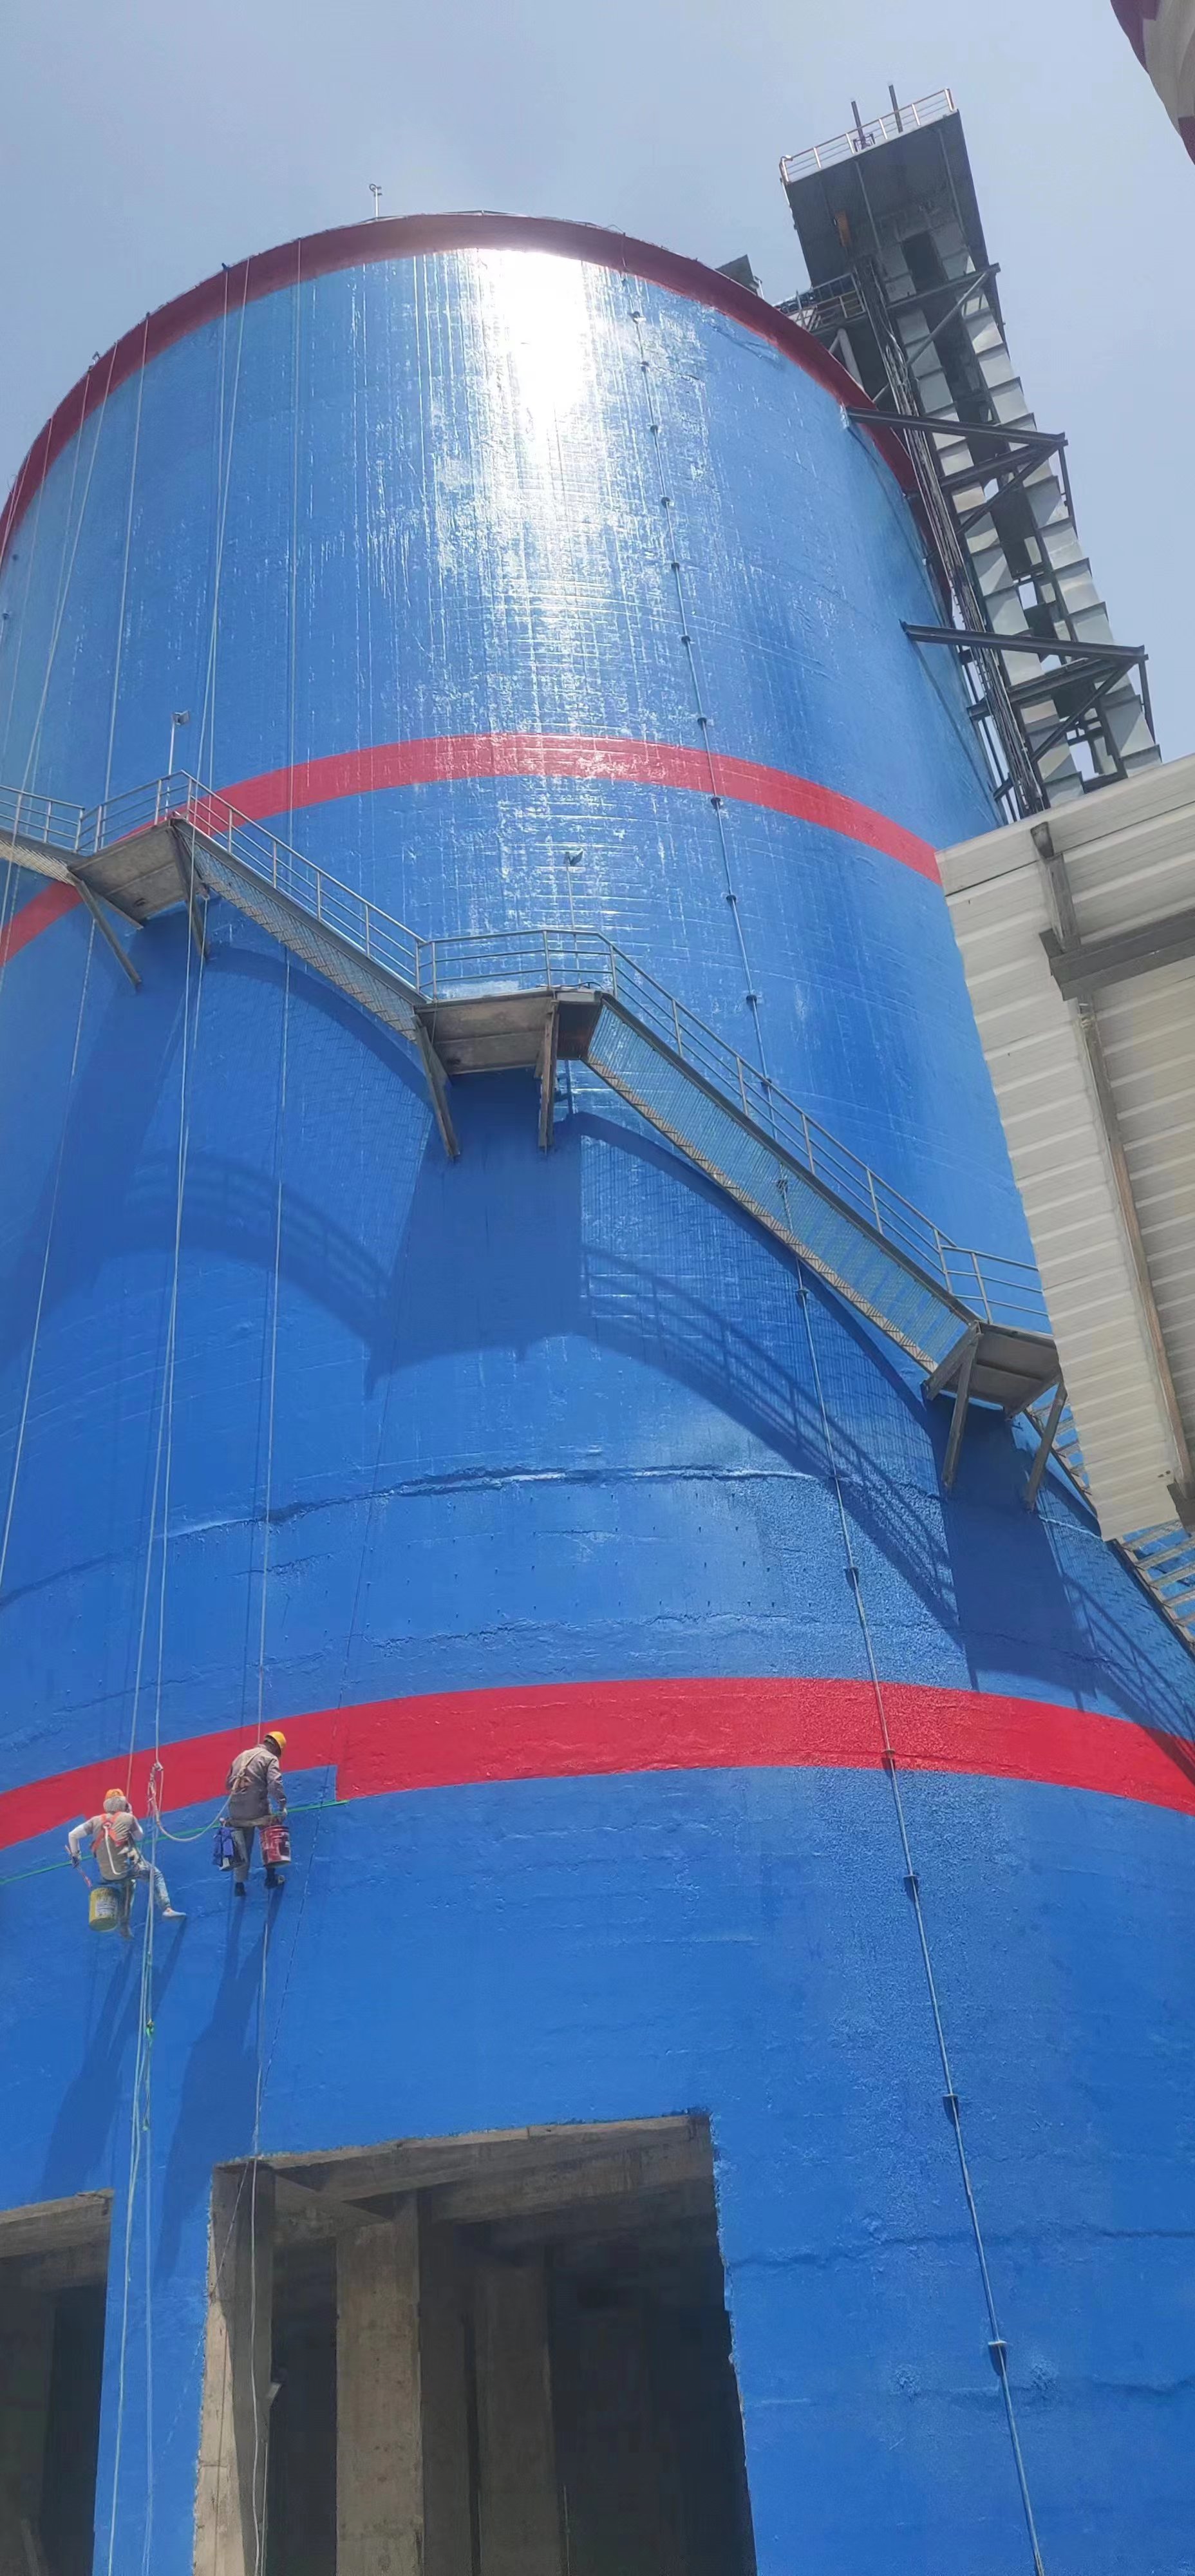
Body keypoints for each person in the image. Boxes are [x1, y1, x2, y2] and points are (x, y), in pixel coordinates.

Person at [66, 1788, 185, 1938]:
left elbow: (72, 1835)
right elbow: (140, 1836)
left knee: (128, 1885)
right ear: (124, 1803)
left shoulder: (95, 1821)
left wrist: (76, 1856)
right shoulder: (128, 1818)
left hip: (107, 1876)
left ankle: (124, 1925)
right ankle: (167, 1909)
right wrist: (131, 1815)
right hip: (127, 1869)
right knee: (155, 1875)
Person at [225, 1730, 288, 1896]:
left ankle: (239, 1886)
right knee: (271, 1831)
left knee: (241, 1846)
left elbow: (228, 1784)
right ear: (276, 1748)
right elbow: (275, 1784)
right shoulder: (269, 1758)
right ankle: (271, 1878)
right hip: (257, 1809)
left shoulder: (240, 1757)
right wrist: (282, 1805)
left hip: (235, 1811)